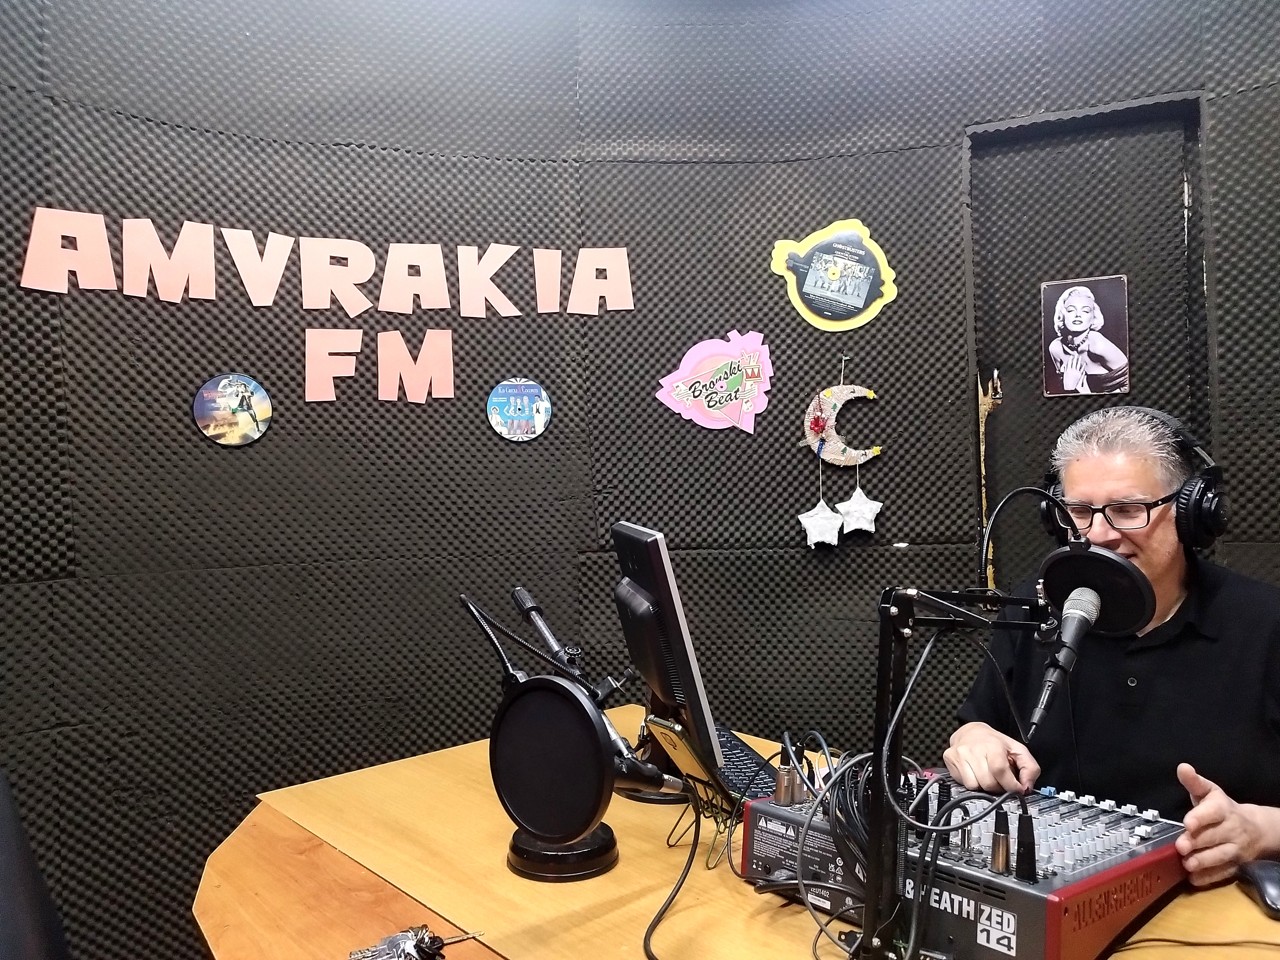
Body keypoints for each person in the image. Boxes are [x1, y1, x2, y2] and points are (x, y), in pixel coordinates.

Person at [944, 407, 1280, 886]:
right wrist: (973, 739)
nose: (1099, 535)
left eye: (1127, 510)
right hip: (1054, 888)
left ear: (1191, 513)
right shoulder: (1035, 604)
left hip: (1208, 904)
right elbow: (980, 724)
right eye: (1080, 512)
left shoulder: (1265, 623)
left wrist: (1262, 830)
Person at [1046, 285, 1129, 394]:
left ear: (1093, 318)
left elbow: (1131, 385)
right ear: (1062, 315)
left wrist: (1081, 390)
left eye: (1085, 311)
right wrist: (1069, 387)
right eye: (1071, 310)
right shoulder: (1056, 348)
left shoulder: (1098, 345)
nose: (1078, 315)